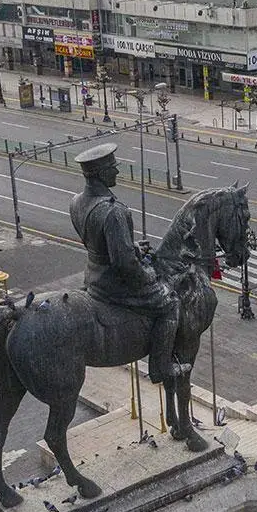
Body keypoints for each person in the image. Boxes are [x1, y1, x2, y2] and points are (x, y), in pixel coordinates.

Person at [69, 143, 182, 383]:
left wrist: (132, 247)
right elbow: (125, 265)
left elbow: (99, 246)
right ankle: (161, 367)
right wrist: (149, 274)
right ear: (100, 173)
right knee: (170, 302)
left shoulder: (76, 201)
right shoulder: (114, 211)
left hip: (92, 277)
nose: (117, 172)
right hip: (114, 284)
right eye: (113, 168)